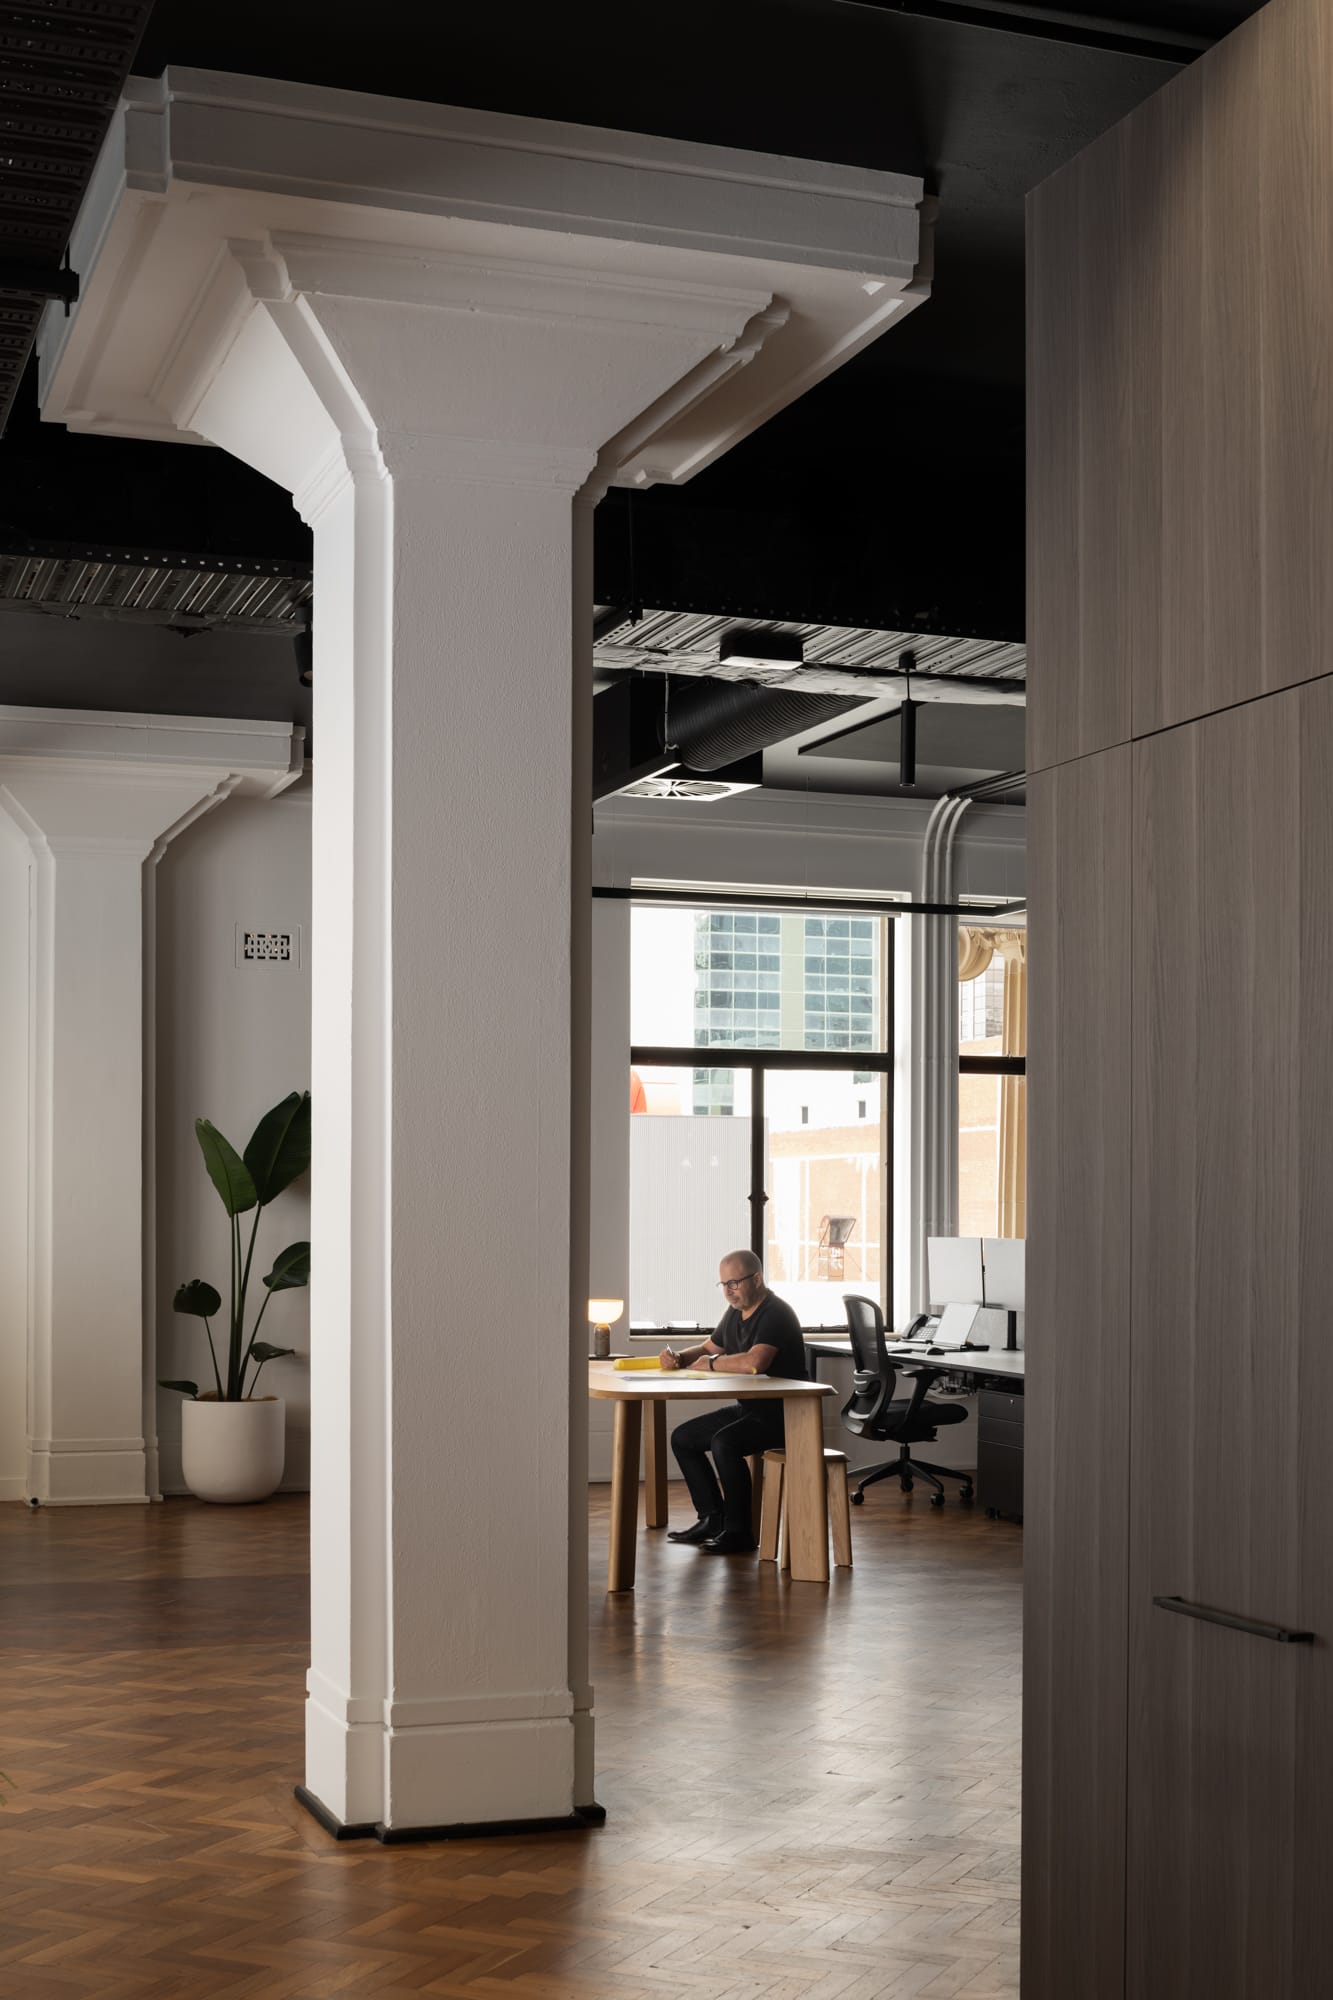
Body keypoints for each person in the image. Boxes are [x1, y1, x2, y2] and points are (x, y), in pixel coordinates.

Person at [660, 1249, 807, 1554]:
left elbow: (755, 1363)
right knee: (683, 1438)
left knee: (724, 1443)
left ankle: (739, 1532)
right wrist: (679, 1358)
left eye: (734, 1283)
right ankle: (713, 1518)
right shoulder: (735, 1312)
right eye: (723, 1284)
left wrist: (711, 1364)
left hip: (786, 1414)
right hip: (752, 1409)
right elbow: (709, 1346)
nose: (728, 1291)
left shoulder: (776, 1313)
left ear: (757, 1279)